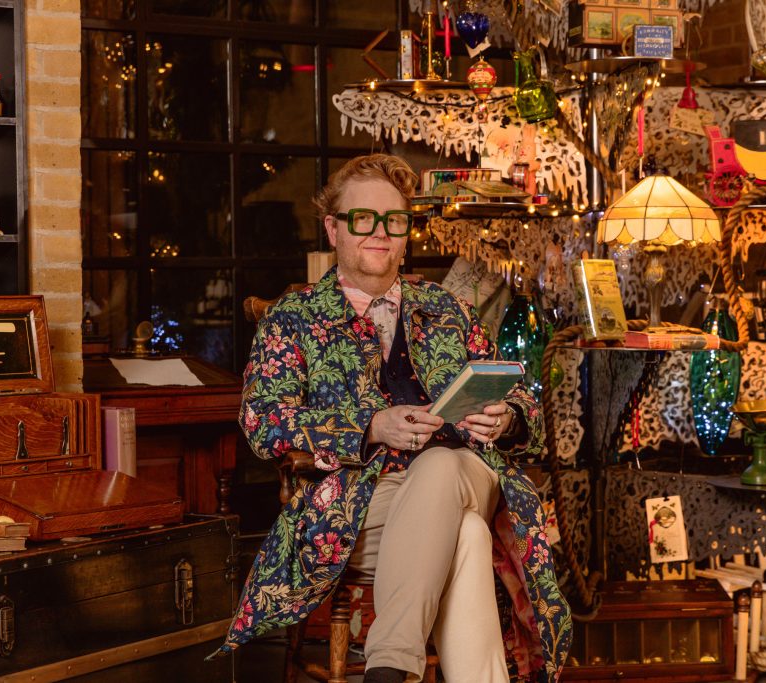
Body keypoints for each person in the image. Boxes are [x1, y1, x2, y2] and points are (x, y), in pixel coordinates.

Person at [212, 154, 571, 683]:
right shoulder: (294, 320)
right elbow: (263, 420)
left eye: (394, 220)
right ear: (333, 229)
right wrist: (371, 427)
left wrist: (506, 419)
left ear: (406, 233)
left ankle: (386, 669)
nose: (380, 232)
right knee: (468, 535)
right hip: (358, 505)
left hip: (468, 475)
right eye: (364, 219)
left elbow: (523, 402)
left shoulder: (448, 309)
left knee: (442, 467)